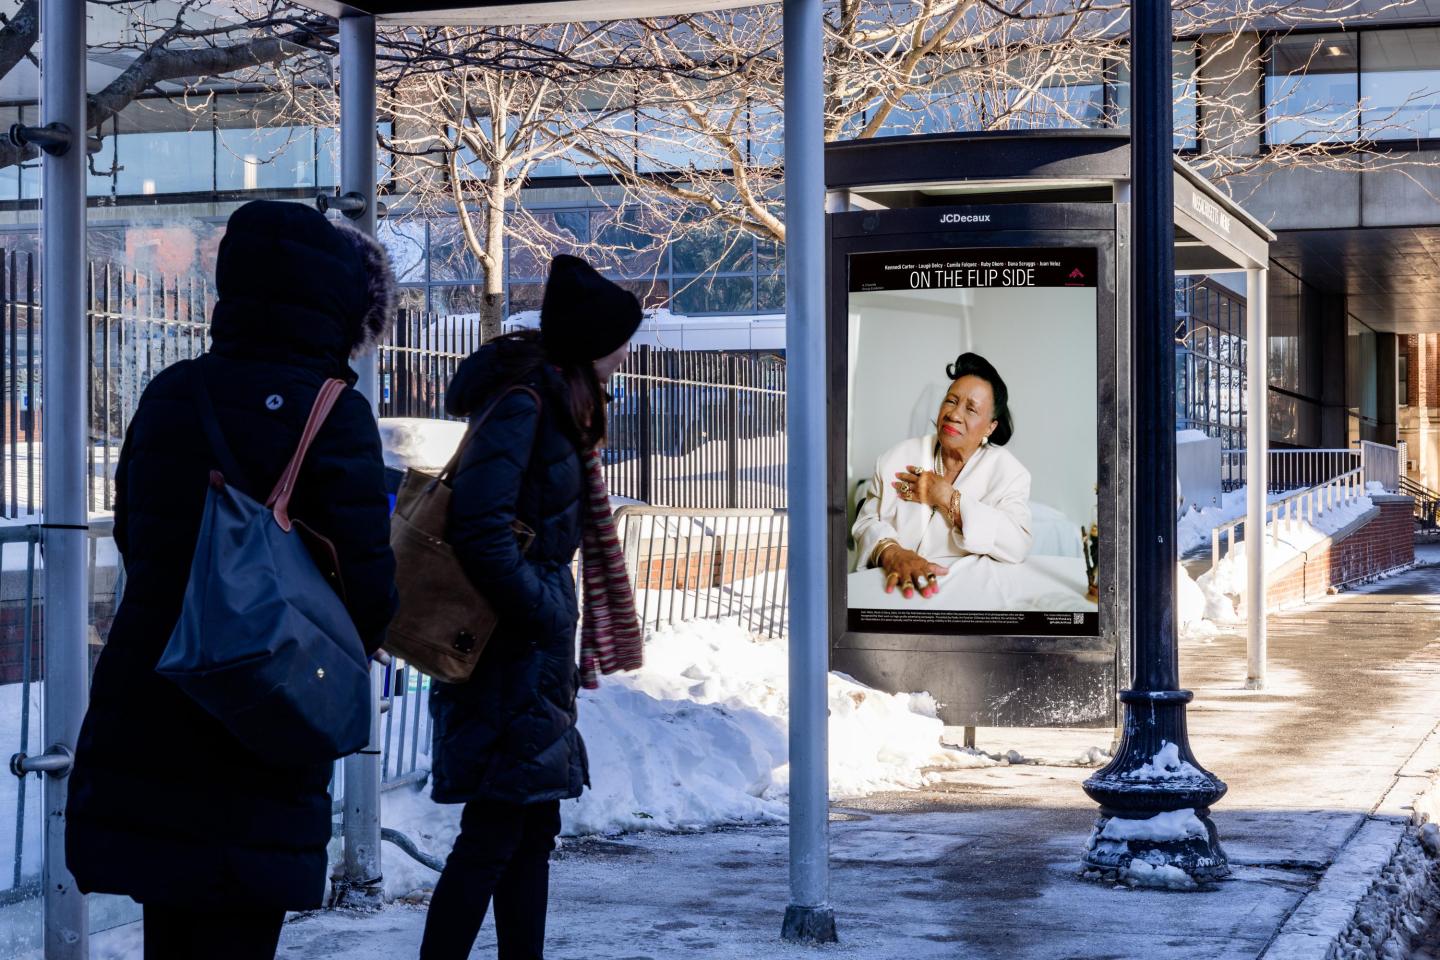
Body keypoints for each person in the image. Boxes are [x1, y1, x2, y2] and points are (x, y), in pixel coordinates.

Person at [65, 200, 399, 960]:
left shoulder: (171, 392)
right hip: (263, 708)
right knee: (241, 930)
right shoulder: (333, 411)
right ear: (336, 303)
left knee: (171, 931)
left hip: (155, 695)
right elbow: (366, 582)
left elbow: (136, 537)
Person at [419, 254, 641, 960]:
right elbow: (479, 526)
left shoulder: (556, 402)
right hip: (505, 650)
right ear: (591, 341)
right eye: (621, 336)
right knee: (494, 833)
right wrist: (543, 607)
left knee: (528, 828)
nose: (628, 351)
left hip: (527, 654)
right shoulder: (527, 404)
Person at [852, 351, 1032, 598]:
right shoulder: (896, 458)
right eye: (951, 400)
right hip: (890, 587)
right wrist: (892, 552)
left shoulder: (1009, 473)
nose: (954, 414)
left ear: (991, 426)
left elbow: (1017, 543)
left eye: (971, 409)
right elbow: (865, 523)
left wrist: (948, 499)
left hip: (960, 596)